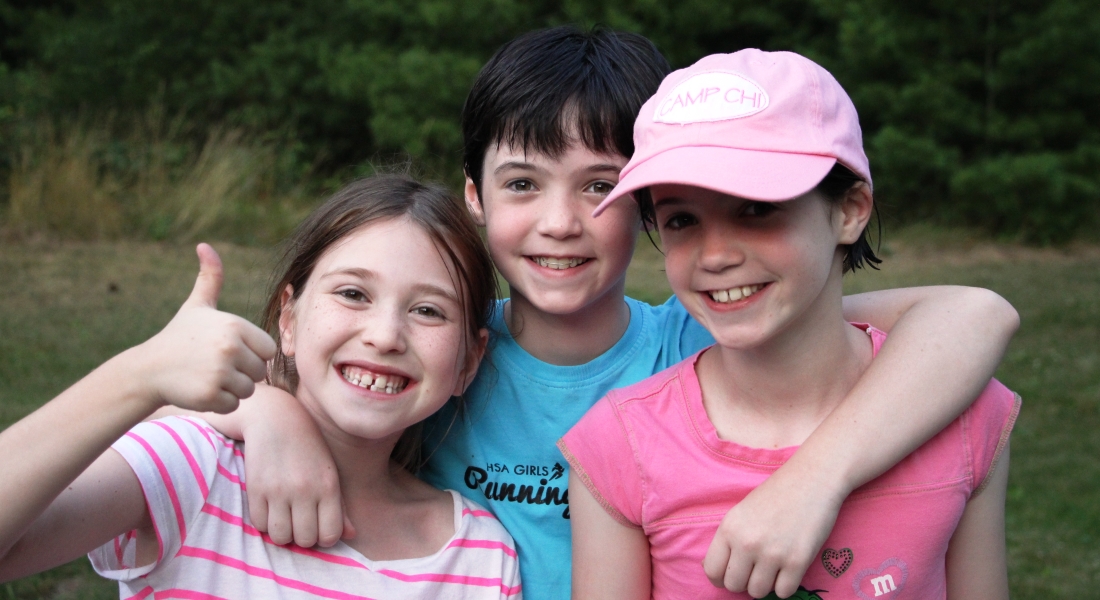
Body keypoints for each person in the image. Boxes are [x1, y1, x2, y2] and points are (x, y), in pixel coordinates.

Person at [214, 27, 1018, 600]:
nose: (560, 222)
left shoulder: (708, 332)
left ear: (642, 201)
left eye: (600, 186)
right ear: (474, 197)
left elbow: (972, 317)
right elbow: (224, 385)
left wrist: (816, 477)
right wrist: (271, 409)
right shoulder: (442, 350)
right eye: (524, 184)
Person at [560, 49, 1018, 600]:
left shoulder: (968, 414)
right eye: (681, 219)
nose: (715, 255)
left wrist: (816, 482)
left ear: (849, 210)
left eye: (756, 208)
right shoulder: (618, 447)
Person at [0, 175, 521, 599]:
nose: (385, 335)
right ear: (288, 321)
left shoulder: (479, 557)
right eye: (353, 293)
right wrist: (142, 375)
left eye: (428, 310)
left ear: (468, 362)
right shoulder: (195, 468)